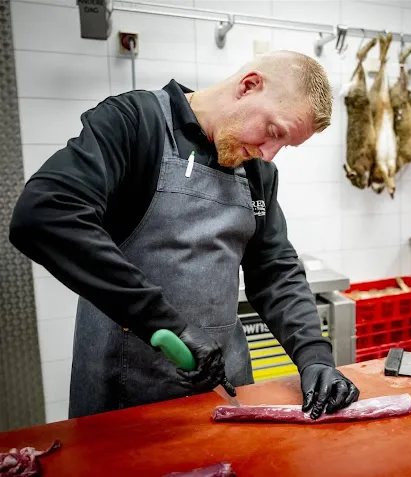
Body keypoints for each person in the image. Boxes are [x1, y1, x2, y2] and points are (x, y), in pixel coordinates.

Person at [9, 50, 359, 420]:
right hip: (126, 395)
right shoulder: (135, 124)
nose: (270, 154)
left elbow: (274, 269)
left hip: (225, 388)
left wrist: (314, 357)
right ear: (248, 86)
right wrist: (165, 323)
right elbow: (46, 213)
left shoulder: (257, 170)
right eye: (273, 132)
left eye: (283, 145)